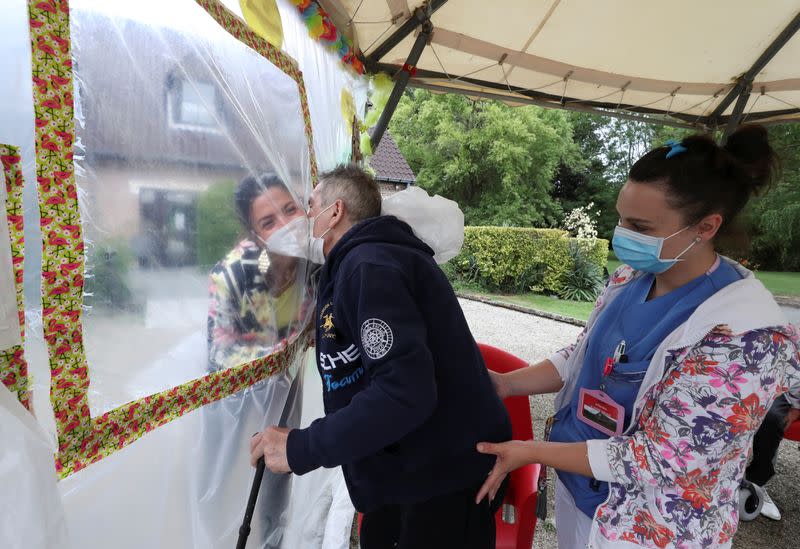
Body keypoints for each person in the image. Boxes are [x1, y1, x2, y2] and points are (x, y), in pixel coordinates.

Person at [476, 126, 800, 548]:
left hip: (650, 529)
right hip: (582, 494)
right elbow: (586, 353)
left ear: (705, 227)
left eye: (639, 225)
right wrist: (508, 383)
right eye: (620, 217)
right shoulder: (634, 275)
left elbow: (661, 457)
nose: (621, 234)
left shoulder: (746, 337)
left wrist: (532, 451)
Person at [250, 164, 512, 549]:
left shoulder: (370, 265)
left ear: (335, 212)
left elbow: (404, 392)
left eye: (309, 206)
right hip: (405, 469)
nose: (304, 218)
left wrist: (300, 447)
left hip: (442, 478)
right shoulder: (357, 263)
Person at [201, 173, 311, 548]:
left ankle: (271, 539)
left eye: (289, 210)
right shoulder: (231, 272)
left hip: (285, 386)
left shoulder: (317, 266)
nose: (285, 225)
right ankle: (210, 533)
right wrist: (278, 353)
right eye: (269, 221)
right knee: (220, 469)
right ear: (255, 232)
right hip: (230, 393)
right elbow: (219, 350)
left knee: (279, 466)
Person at [745, 393, 800, 520]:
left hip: (792, 396)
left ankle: (756, 482)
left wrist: (797, 407)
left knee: (772, 419)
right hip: (782, 387)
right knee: (771, 417)